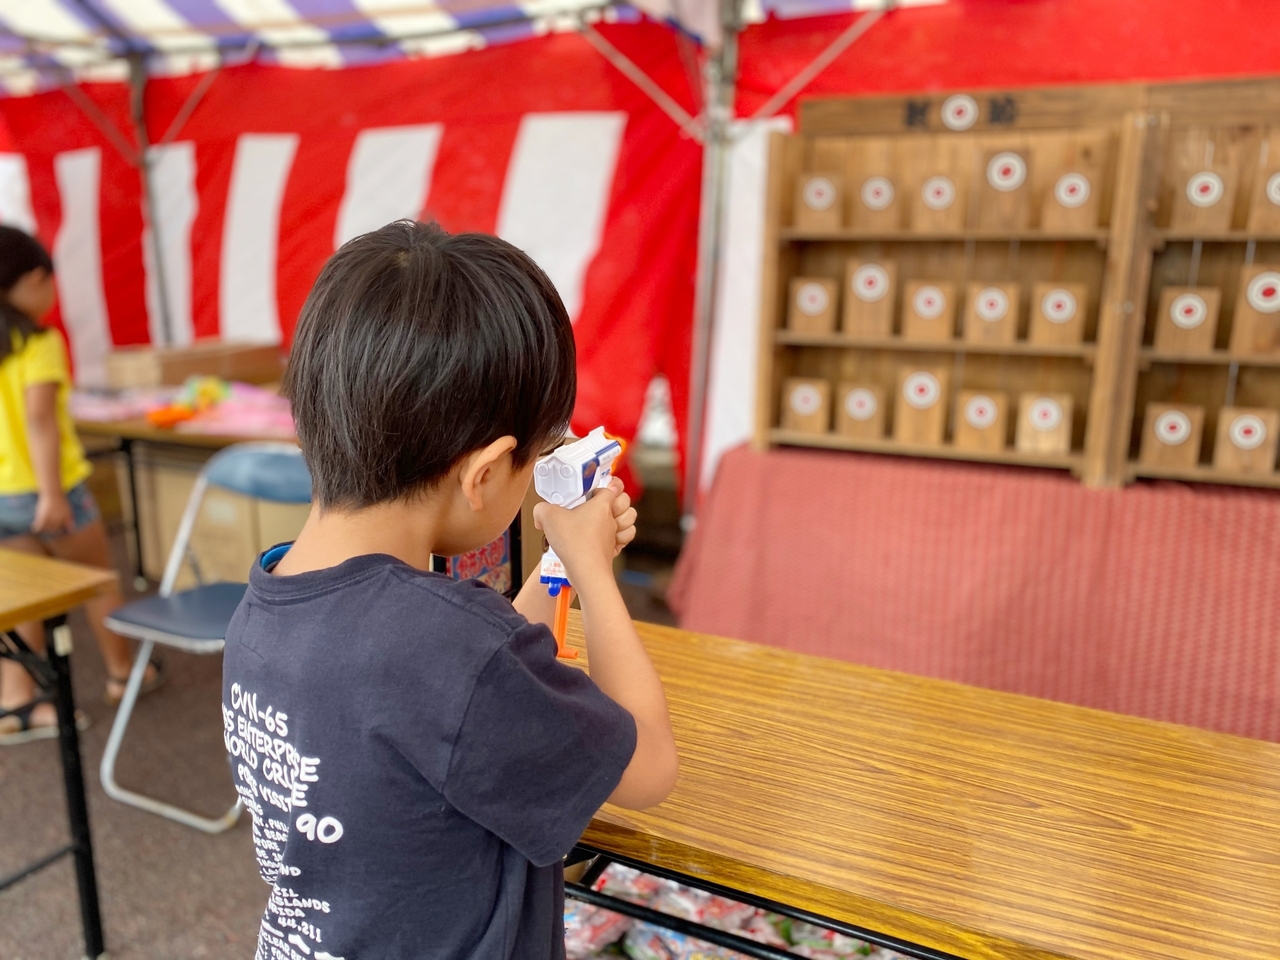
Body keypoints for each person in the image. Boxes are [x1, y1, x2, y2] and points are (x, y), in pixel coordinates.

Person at [221, 220, 678, 960]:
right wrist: (595, 572)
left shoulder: (267, 603)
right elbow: (649, 768)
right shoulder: (449, 648)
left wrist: (560, 561)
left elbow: (481, 683)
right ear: (487, 473)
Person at [0, 226, 162, 744]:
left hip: (2, 496)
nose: (50, 292)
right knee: (97, 579)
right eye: (46, 279)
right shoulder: (39, 343)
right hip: (48, 492)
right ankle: (123, 675)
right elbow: (41, 421)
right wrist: (50, 493)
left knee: (26, 600)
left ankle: (17, 702)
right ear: (26, 281)